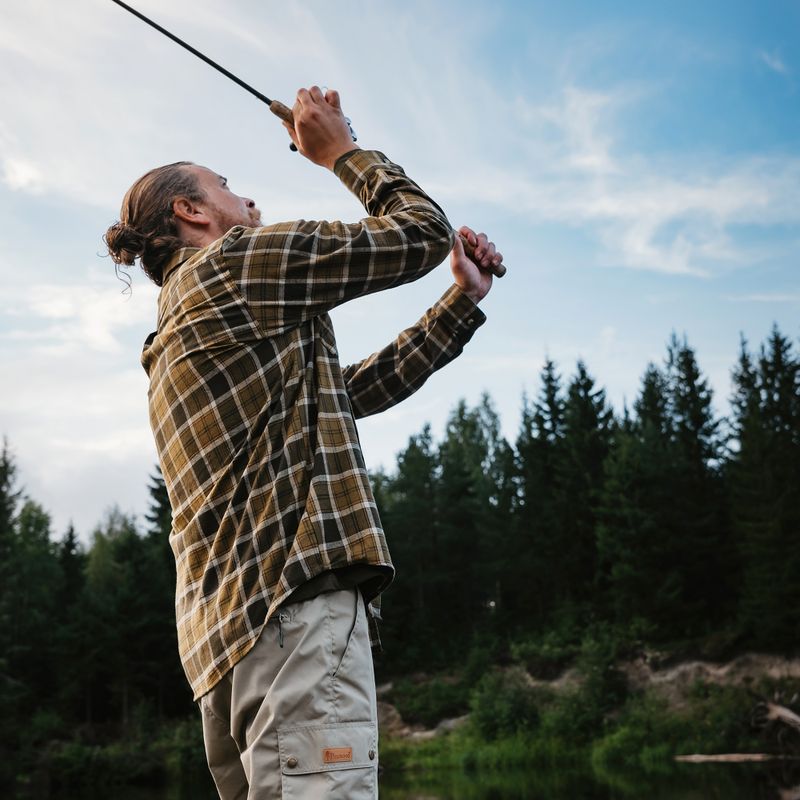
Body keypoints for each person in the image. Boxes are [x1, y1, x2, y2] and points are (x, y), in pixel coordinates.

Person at [104, 86, 503, 799]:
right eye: (223, 187)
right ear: (191, 212)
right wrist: (342, 152)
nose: (246, 197)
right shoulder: (231, 268)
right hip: (294, 621)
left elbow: (342, 397)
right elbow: (417, 233)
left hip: (231, 658)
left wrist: (459, 302)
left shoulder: (176, 331)